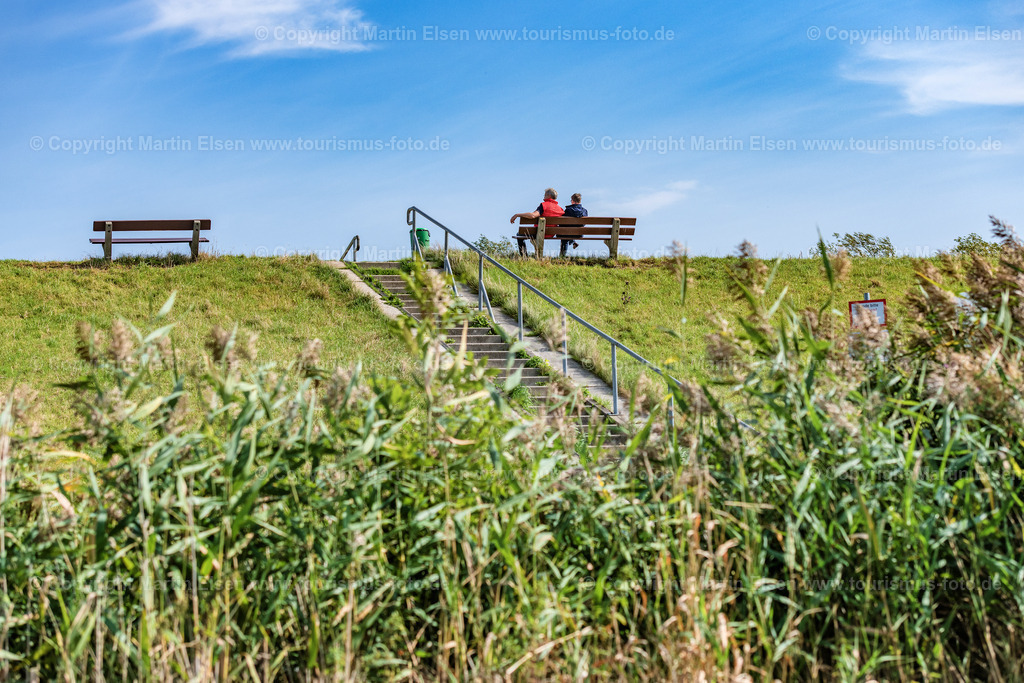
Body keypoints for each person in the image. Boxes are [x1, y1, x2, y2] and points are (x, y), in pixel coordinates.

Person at [510, 188, 564, 256]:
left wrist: (517, 215)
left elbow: (533, 215)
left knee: (519, 234)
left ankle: (524, 257)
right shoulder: (560, 209)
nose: (544, 197)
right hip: (551, 233)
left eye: (545, 195)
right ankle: (562, 256)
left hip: (539, 232)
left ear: (549, 196)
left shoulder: (543, 205)